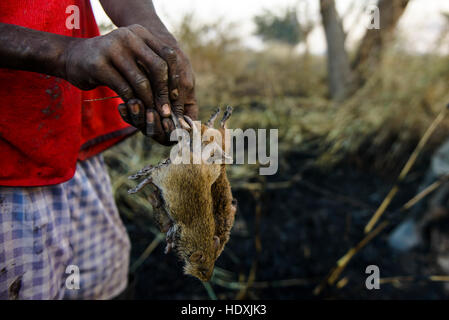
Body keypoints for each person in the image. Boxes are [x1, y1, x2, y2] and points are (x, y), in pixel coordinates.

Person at [0, 0, 197, 299]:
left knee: (104, 282)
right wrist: (62, 53)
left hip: (72, 143)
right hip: (9, 164)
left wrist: (155, 37)